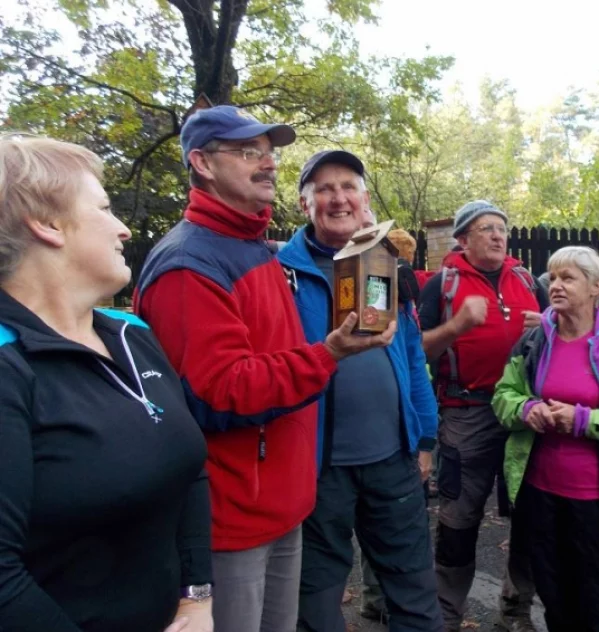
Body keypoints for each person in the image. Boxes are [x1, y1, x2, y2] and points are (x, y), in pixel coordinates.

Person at [135, 107, 393, 632]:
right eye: (248, 152)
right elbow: (217, 393)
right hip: (231, 519)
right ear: (202, 163)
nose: (268, 164)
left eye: (269, 152)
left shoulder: (253, 246)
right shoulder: (190, 264)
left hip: (283, 503)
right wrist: (330, 354)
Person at [0, 136, 211, 631]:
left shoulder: (132, 333)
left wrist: (197, 599)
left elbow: (189, 470)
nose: (122, 228)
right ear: (48, 225)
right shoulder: (9, 362)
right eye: (104, 207)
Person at [278, 149, 442, 632]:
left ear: (364, 198)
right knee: (317, 604)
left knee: (414, 593)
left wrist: (426, 436)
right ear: (305, 205)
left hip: (392, 459)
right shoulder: (280, 274)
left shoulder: (388, 265)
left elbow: (412, 357)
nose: (338, 198)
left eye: (348, 186)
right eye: (323, 189)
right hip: (318, 466)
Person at [492, 246, 599, 632]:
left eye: (567, 278)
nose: (555, 285)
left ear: (596, 287)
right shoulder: (534, 342)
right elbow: (503, 396)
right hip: (541, 494)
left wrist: (584, 420)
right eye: (552, 278)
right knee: (556, 601)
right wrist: (526, 409)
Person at [419, 200, 548, 632]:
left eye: (502, 228)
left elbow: (566, 338)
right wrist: (455, 327)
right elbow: (415, 350)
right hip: (466, 412)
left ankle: (516, 612)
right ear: (462, 239)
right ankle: (446, 616)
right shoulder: (443, 286)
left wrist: (546, 325)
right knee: (458, 519)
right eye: (486, 228)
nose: (498, 235)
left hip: (523, 416)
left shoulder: (529, 280)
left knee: (530, 514)